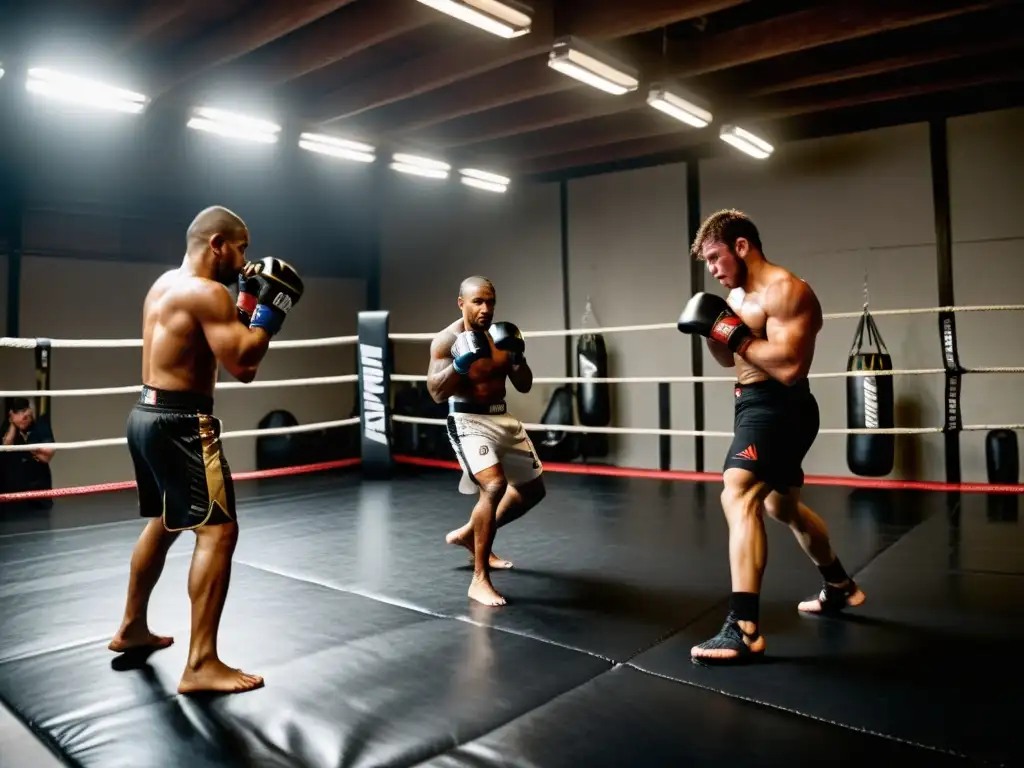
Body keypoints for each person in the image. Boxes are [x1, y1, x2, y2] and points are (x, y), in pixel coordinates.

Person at [108, 205, 304, 694]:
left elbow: (218, 344)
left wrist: (246, 302)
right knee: (218, 532)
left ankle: (132, 625)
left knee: (168, 520)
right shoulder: (207, 293)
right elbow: (243, 364)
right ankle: (201, 663)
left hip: (146, 415)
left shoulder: (166, 285)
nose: (245, 259)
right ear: (217, 243)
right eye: (241, 248)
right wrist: (273, 308)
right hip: (182, 423)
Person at [677, 209, 865, 664]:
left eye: (717, 258)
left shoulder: (786, 290)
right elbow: (730, 360)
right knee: (782, 506)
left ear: (742, 246)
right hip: (751, 403)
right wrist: (714, 333)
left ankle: (742, 628)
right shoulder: (737, 295)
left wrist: (732, 333)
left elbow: (787, 367)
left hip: (781, 406)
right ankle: (840, 585)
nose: (714, 270)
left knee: (737, 491)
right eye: (708, 263)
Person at [427, 276, 547, 607]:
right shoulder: (446, 340)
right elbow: (436, 393)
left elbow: (524, 385)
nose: (486, 309)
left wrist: (519, 358)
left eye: (490, 302)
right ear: (461, 303)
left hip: (502, 418)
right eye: (478, 302)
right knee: (493, 487)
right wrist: (460, 364)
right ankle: (479, 579)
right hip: (468, 420)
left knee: (534, 490)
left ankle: (470, 533)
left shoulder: (501, 336)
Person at [1, 398, 56, 509]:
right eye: (18, 414)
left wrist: (28, 444)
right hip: (12, 496)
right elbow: (6, 446)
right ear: (12, 414)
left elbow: (47, 456)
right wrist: (13, 424)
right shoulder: (8, 427)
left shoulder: (40, 425)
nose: (23, 419)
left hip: (38, 495)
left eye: (25, 415)